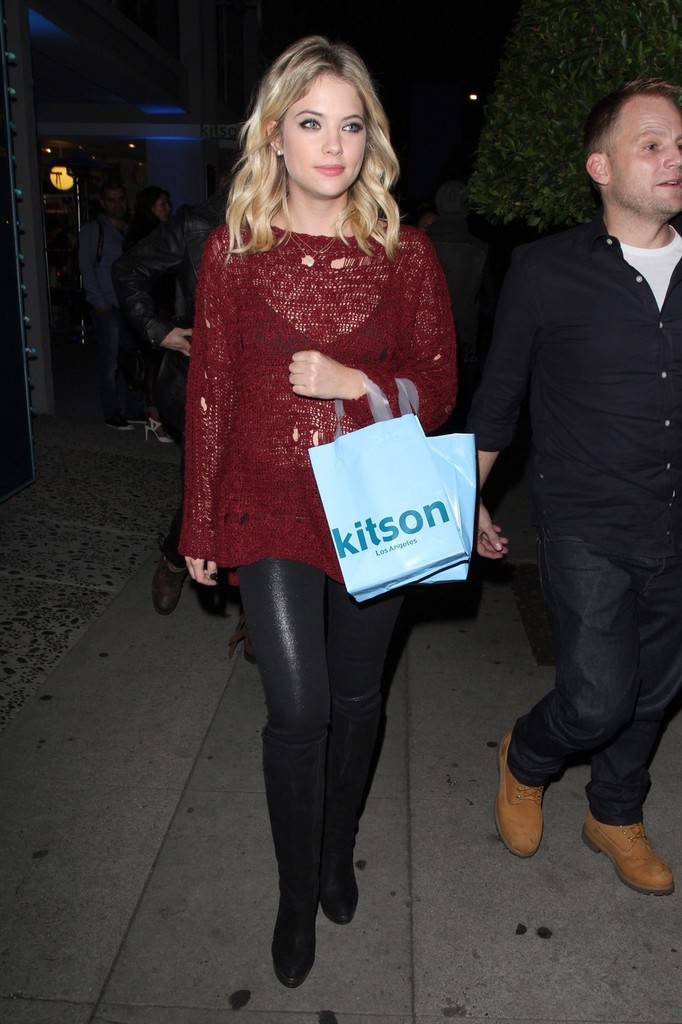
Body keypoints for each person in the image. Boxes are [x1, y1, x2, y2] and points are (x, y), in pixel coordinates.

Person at [180, 35, 457, 987]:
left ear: (370, 139)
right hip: (266, 504)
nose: (333, 146)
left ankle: (338, 846)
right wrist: (199, 524)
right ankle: (296, 893)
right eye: (311, 123)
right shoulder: (233, 252)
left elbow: (439, 391)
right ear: (274, 134)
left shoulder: (406, 255)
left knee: (357, 698)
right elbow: (210, 392)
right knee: (297, 711)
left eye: (351, 125)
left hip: (370, 504)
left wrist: (355, 383)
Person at [468, 77, 682, 897]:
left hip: (676, 527)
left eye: (680, 144)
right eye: (651, 144)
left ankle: (615, 813)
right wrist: (467, 496)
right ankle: (526, 757)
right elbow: (500, 396)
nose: (674, 158)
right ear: (601, 166)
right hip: (588, 524)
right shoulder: (545, 270)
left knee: (654, 694)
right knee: (597, 699)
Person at [113, 186, 228, 614]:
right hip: (202, 383)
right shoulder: (196, 223)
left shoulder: (306, 217)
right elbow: (128, 269)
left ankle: (262, 616)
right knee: (208, 486)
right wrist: (158, 330)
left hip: (276, 385)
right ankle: (175, 556)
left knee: (262, 495)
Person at [78, 180, 145, 429]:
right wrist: (99, 301)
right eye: (112, 199)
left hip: (128, 305)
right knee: (110, 363)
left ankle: (134, 410)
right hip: (107, 305)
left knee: (134, 358)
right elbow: (86, 266)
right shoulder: (94, 230)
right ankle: (111, 413)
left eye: (121, 199)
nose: (117, 204)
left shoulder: (129, 229)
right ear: (103, 202)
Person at [426, 180, 491, 425]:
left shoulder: (418, 243)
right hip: (463, 340)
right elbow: (489, 301)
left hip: (424, 341)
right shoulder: (478, 248)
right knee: (459, 412)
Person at [121, 186, 175, 442]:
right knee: (153, 364)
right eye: (162, 204)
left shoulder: (161, 234)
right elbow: (131, 275)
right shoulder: (146, 237)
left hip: (161, 306)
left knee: (160, 363)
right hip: (151, 309)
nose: (168, 209)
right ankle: (154, 417)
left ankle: (156, 416)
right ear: (150, 207)